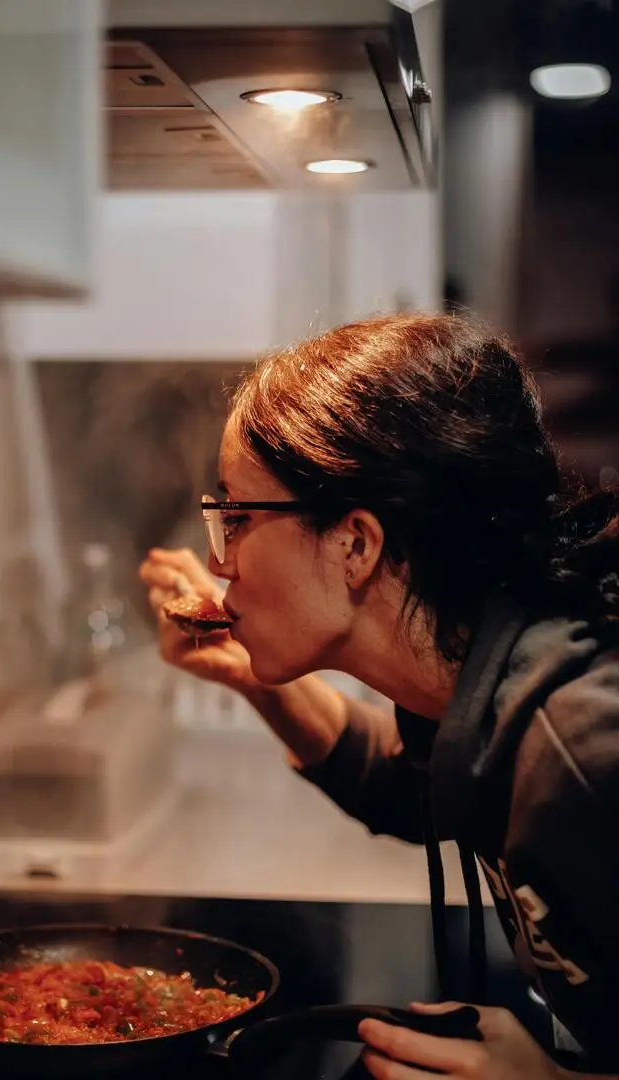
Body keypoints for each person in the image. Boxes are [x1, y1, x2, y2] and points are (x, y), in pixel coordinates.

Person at [139, 313, 619, 1079]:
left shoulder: (586, 750)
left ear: (355, 545)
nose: (217, 557)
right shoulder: (484, 686)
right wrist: (251, 680)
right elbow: (402, 785)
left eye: (236, 515)